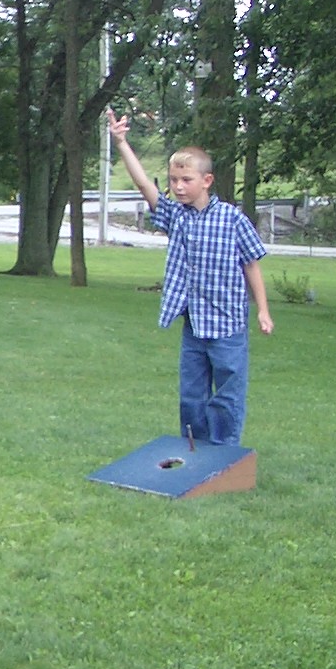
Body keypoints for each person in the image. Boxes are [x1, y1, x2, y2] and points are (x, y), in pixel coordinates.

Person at [109, 112, 273, 446]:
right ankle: (196, 452)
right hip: (195, 327)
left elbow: (252, 265)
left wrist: (263, 311)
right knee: (192, 398)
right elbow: (144, 186)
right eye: (173, 180)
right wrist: (121, 142)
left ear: (207, 180)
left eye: (186, 180)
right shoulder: (176, 217)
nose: (178, 186)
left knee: (227, 397)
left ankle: (224, 454)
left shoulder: (232, 219)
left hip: (228, 327)